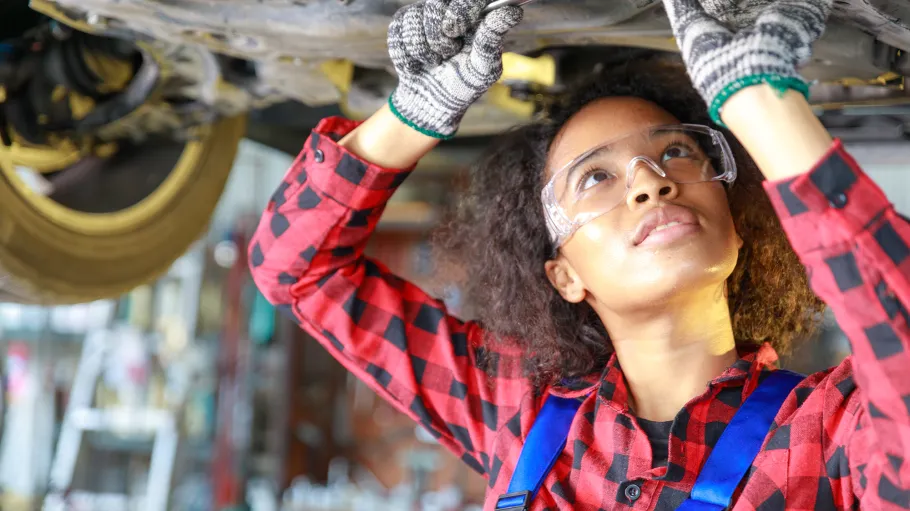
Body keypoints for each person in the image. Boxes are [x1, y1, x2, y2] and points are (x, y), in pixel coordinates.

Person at [249, 0, 910, 507]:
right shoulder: (519, 410)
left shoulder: (835, 432)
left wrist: (761, 103)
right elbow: (295, 269)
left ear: (737, 225)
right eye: (597, 177)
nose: (653, 180)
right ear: (565, 274)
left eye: (677, 151)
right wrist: (408, 114)